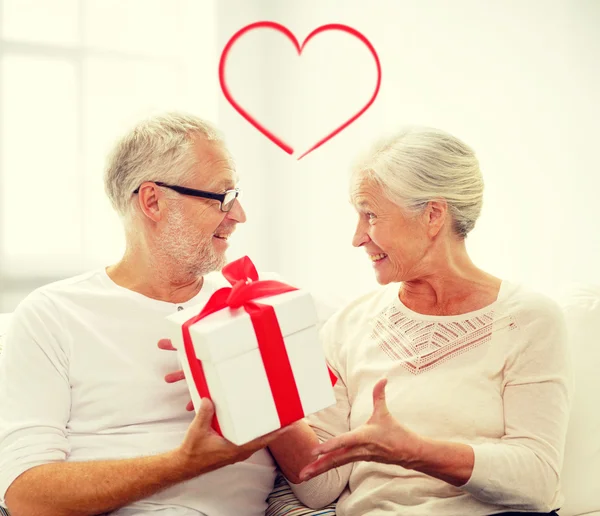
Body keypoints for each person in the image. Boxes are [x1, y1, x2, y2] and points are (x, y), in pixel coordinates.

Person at [265, 127, 573, 515]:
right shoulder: (348, 325)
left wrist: (415, 453)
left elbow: (538, 480)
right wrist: (262, 397)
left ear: (432, 215)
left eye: (371, 214)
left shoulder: (528, 319)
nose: (357, 237)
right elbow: (318, 486)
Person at [0, 112, 294, 516]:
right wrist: (182, 464)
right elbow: (26, 496)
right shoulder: (52, 314)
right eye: (222, 196)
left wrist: (269, 387)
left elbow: (315, 484)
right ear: (153, 201)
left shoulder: (252, 303)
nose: (239, 214)